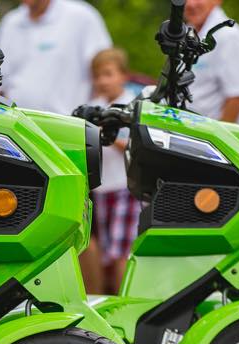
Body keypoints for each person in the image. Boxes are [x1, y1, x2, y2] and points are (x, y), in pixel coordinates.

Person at [81, 48, 140, 295]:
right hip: (102, 191)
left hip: (125, 189)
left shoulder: (133, 106)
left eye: (108, 74)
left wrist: (109, 135)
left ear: (123, 76)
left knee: (121, 254)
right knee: (104, 254)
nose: (102, 81)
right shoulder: (94, 107)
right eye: (97, 76)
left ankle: (124, 302)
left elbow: (136, 147)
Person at [0, 0, 111, 115]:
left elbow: (106, 72)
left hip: (67, 126)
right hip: (15, 124)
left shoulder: (82, 17)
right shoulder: (10, 22)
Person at [184, 0, 239, 122]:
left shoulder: (230, 37)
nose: (190, 4)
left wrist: (216, 138)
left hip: (208, 136)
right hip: (186, 131)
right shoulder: (185, 34)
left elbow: (236, 98)